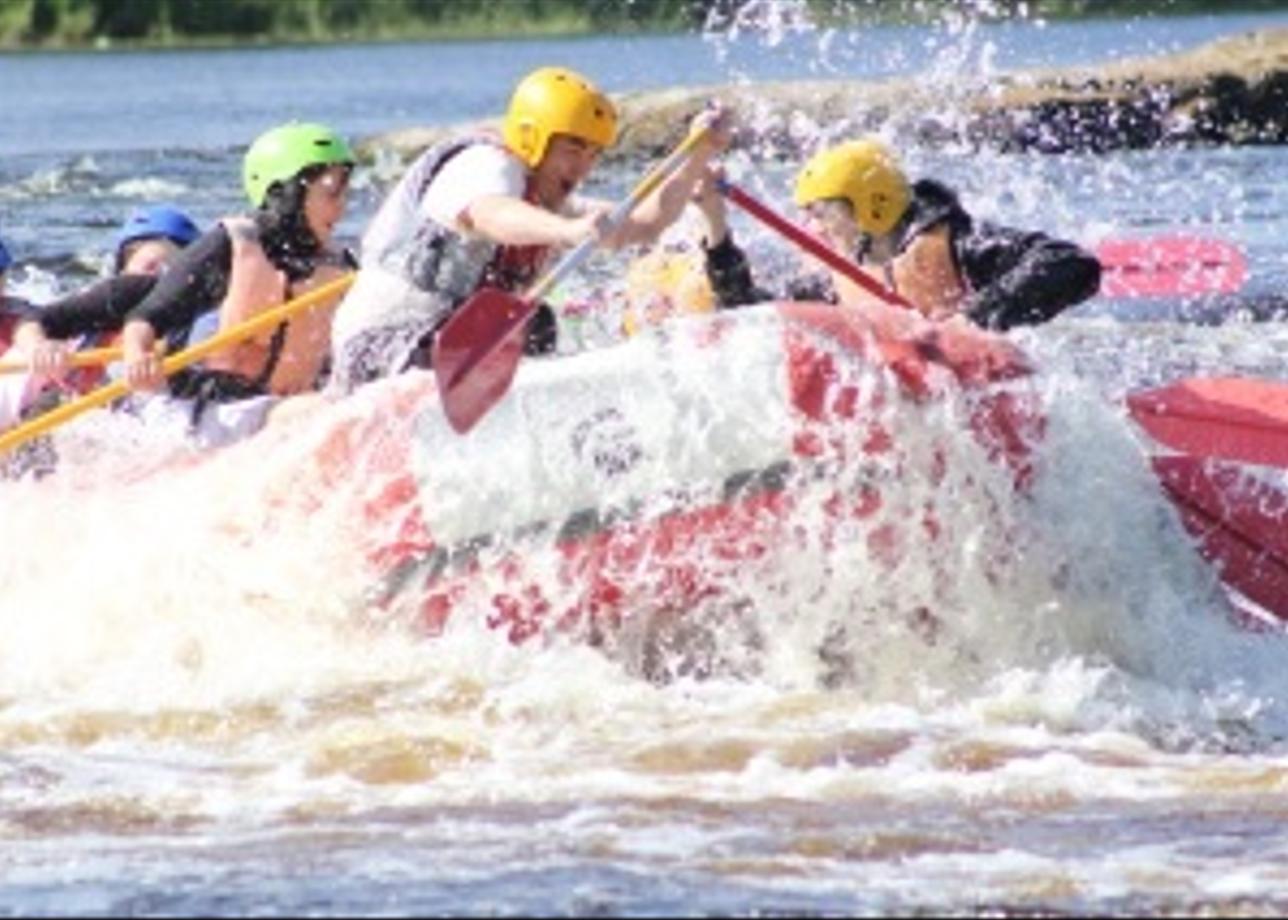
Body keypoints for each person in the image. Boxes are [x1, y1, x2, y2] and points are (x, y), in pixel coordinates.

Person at [328, 65, 732, 393]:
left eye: (592, 154)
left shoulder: (552, 205)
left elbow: (645, 224)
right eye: (572, 150)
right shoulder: (484, 164)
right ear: (531, 139)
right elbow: (490, 215)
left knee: (536, 325)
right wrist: (566, 231)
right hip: (375, 351)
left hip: (450, 356)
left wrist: (697, 156)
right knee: (524, 325)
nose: (582, 168)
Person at [685, 136, 1102, 331]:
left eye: (822, 213)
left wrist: (970, 323)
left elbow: (1071, 263)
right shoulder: (838, 278)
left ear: (871, 207)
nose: (812, 227)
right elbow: (747, 311)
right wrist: (715, 223)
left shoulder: (957, 243)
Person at [115, 121, 356, 449]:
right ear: (287, 192)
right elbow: (147, 316)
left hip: (281, 410)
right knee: (331, 412)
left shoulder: (342, 266)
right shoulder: (232, 244)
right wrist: (137, 354)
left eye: (346, 192)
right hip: (209, 413)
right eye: (331, 192)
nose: (343, 205)